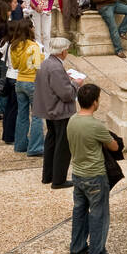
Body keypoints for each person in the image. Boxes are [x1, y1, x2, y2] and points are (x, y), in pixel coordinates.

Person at [67, 83, 121, 254]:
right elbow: (114, 146)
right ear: (95, 102)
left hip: (78, 173)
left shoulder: (72, 120)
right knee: (99, 214)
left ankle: (77, 246)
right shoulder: (96, 125)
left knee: (79, 211)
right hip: (95, 176)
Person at [34, 37, 83, 189]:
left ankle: (47, 176)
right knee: (62, 146)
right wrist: (76, 83)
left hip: (49, 109)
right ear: (62, 52)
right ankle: (59, 179)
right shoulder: (55, 67)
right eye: (67, 50)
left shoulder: (47, 63)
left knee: (51, 142)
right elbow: (67, 94)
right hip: (59, 111)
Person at [11, 18, 46, 157]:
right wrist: (42, 57)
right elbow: (38, 67)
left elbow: (14, 66)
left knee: (22, 115)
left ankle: (20, 145)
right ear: (30, 28)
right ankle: (36, 147)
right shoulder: (33, 46)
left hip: (20, 81)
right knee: (37, 116)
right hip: (32, 81)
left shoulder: (14, 46)